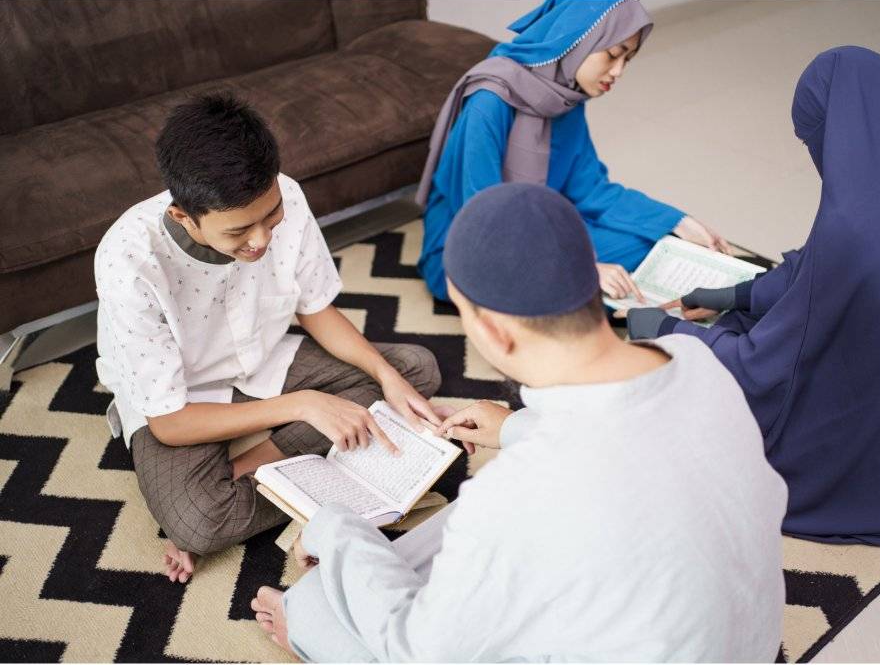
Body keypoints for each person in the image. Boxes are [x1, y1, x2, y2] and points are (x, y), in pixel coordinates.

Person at [252, 183, 787, 662]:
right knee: (454, 541)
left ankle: (309, 624)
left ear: (495, 331)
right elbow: (625, 446)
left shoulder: (518, 491)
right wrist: (512, 426)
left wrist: (333, 526)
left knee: (319, 610)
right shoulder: (693, 360)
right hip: (744, 644)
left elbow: (421, 650)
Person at [629, 46, 880, 550]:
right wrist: (734, 293)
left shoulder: (856, 227)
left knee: (694, 397)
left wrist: (665, 329)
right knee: (740, 318)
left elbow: (767, 369)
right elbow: (820, 272)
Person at [94, 94, 443, 583]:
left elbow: (316, 309)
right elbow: (171, 424)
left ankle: (255, 465)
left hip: (264, 356)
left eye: (271, 217)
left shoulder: (287, 195)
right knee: (199, 521)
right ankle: (315, 463)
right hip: (182, 399)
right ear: (183, 218)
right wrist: (303, 405)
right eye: (239, 232)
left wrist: (385, 375)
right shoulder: (127, 263)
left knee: (414, 370)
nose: (260, 240)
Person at [415, 0, 732, 305]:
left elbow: (591, 190)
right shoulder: (488, 103)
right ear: (579, 42)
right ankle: (575, 293)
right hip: (474, 248)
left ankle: (578, 291)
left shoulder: (564, 97)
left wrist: (678, 222)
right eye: (613, 55)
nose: (618, 71)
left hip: (539, 227)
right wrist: (582, 267)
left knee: (657, 241)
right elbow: (481, 217)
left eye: (627, 60)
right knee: (575, 276)